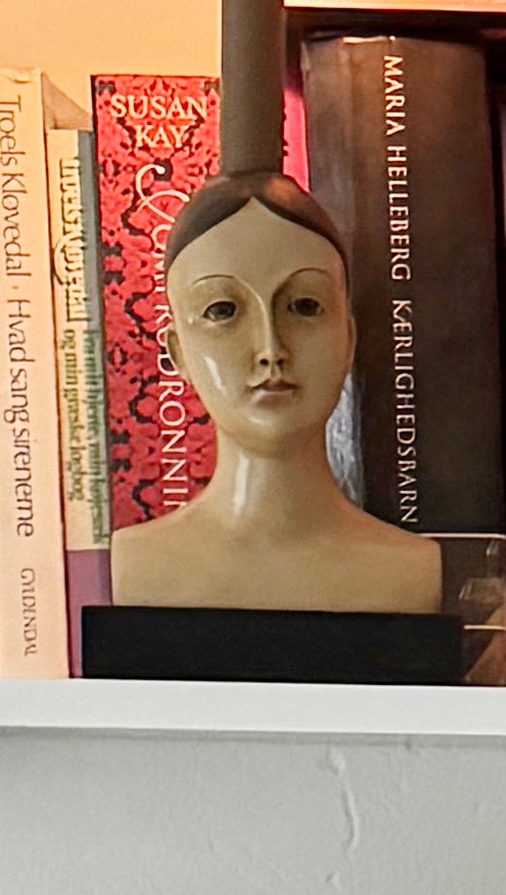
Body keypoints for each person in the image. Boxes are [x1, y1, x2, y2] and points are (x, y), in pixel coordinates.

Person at [102, 170, 445, 615]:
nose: (270, 348)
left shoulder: (408, 572)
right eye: (223, 311)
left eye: (304, 306)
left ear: (348, 338)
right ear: (179, 352)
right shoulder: (141, 567)